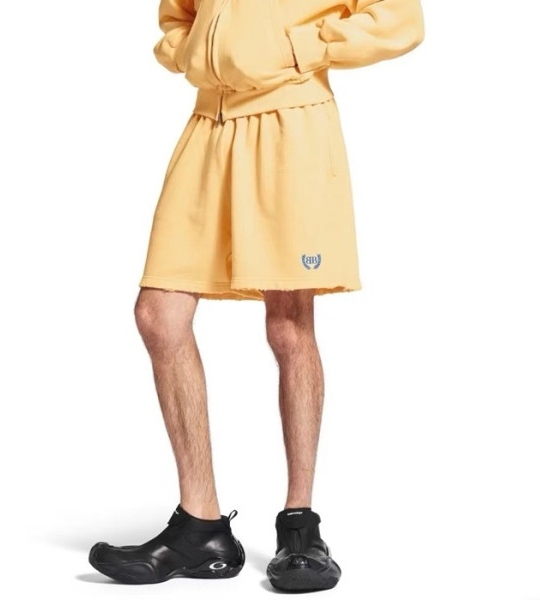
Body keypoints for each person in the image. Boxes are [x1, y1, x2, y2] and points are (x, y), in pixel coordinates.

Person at [88, 0, 424, 592]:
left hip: (291, 124)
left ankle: (300, 527)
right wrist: (194, 52)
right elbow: (178, 16)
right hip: (208, 124)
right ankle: (201, 527)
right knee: (158, 314)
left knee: (289, 325)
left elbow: (400, 19)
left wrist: (298, 48)